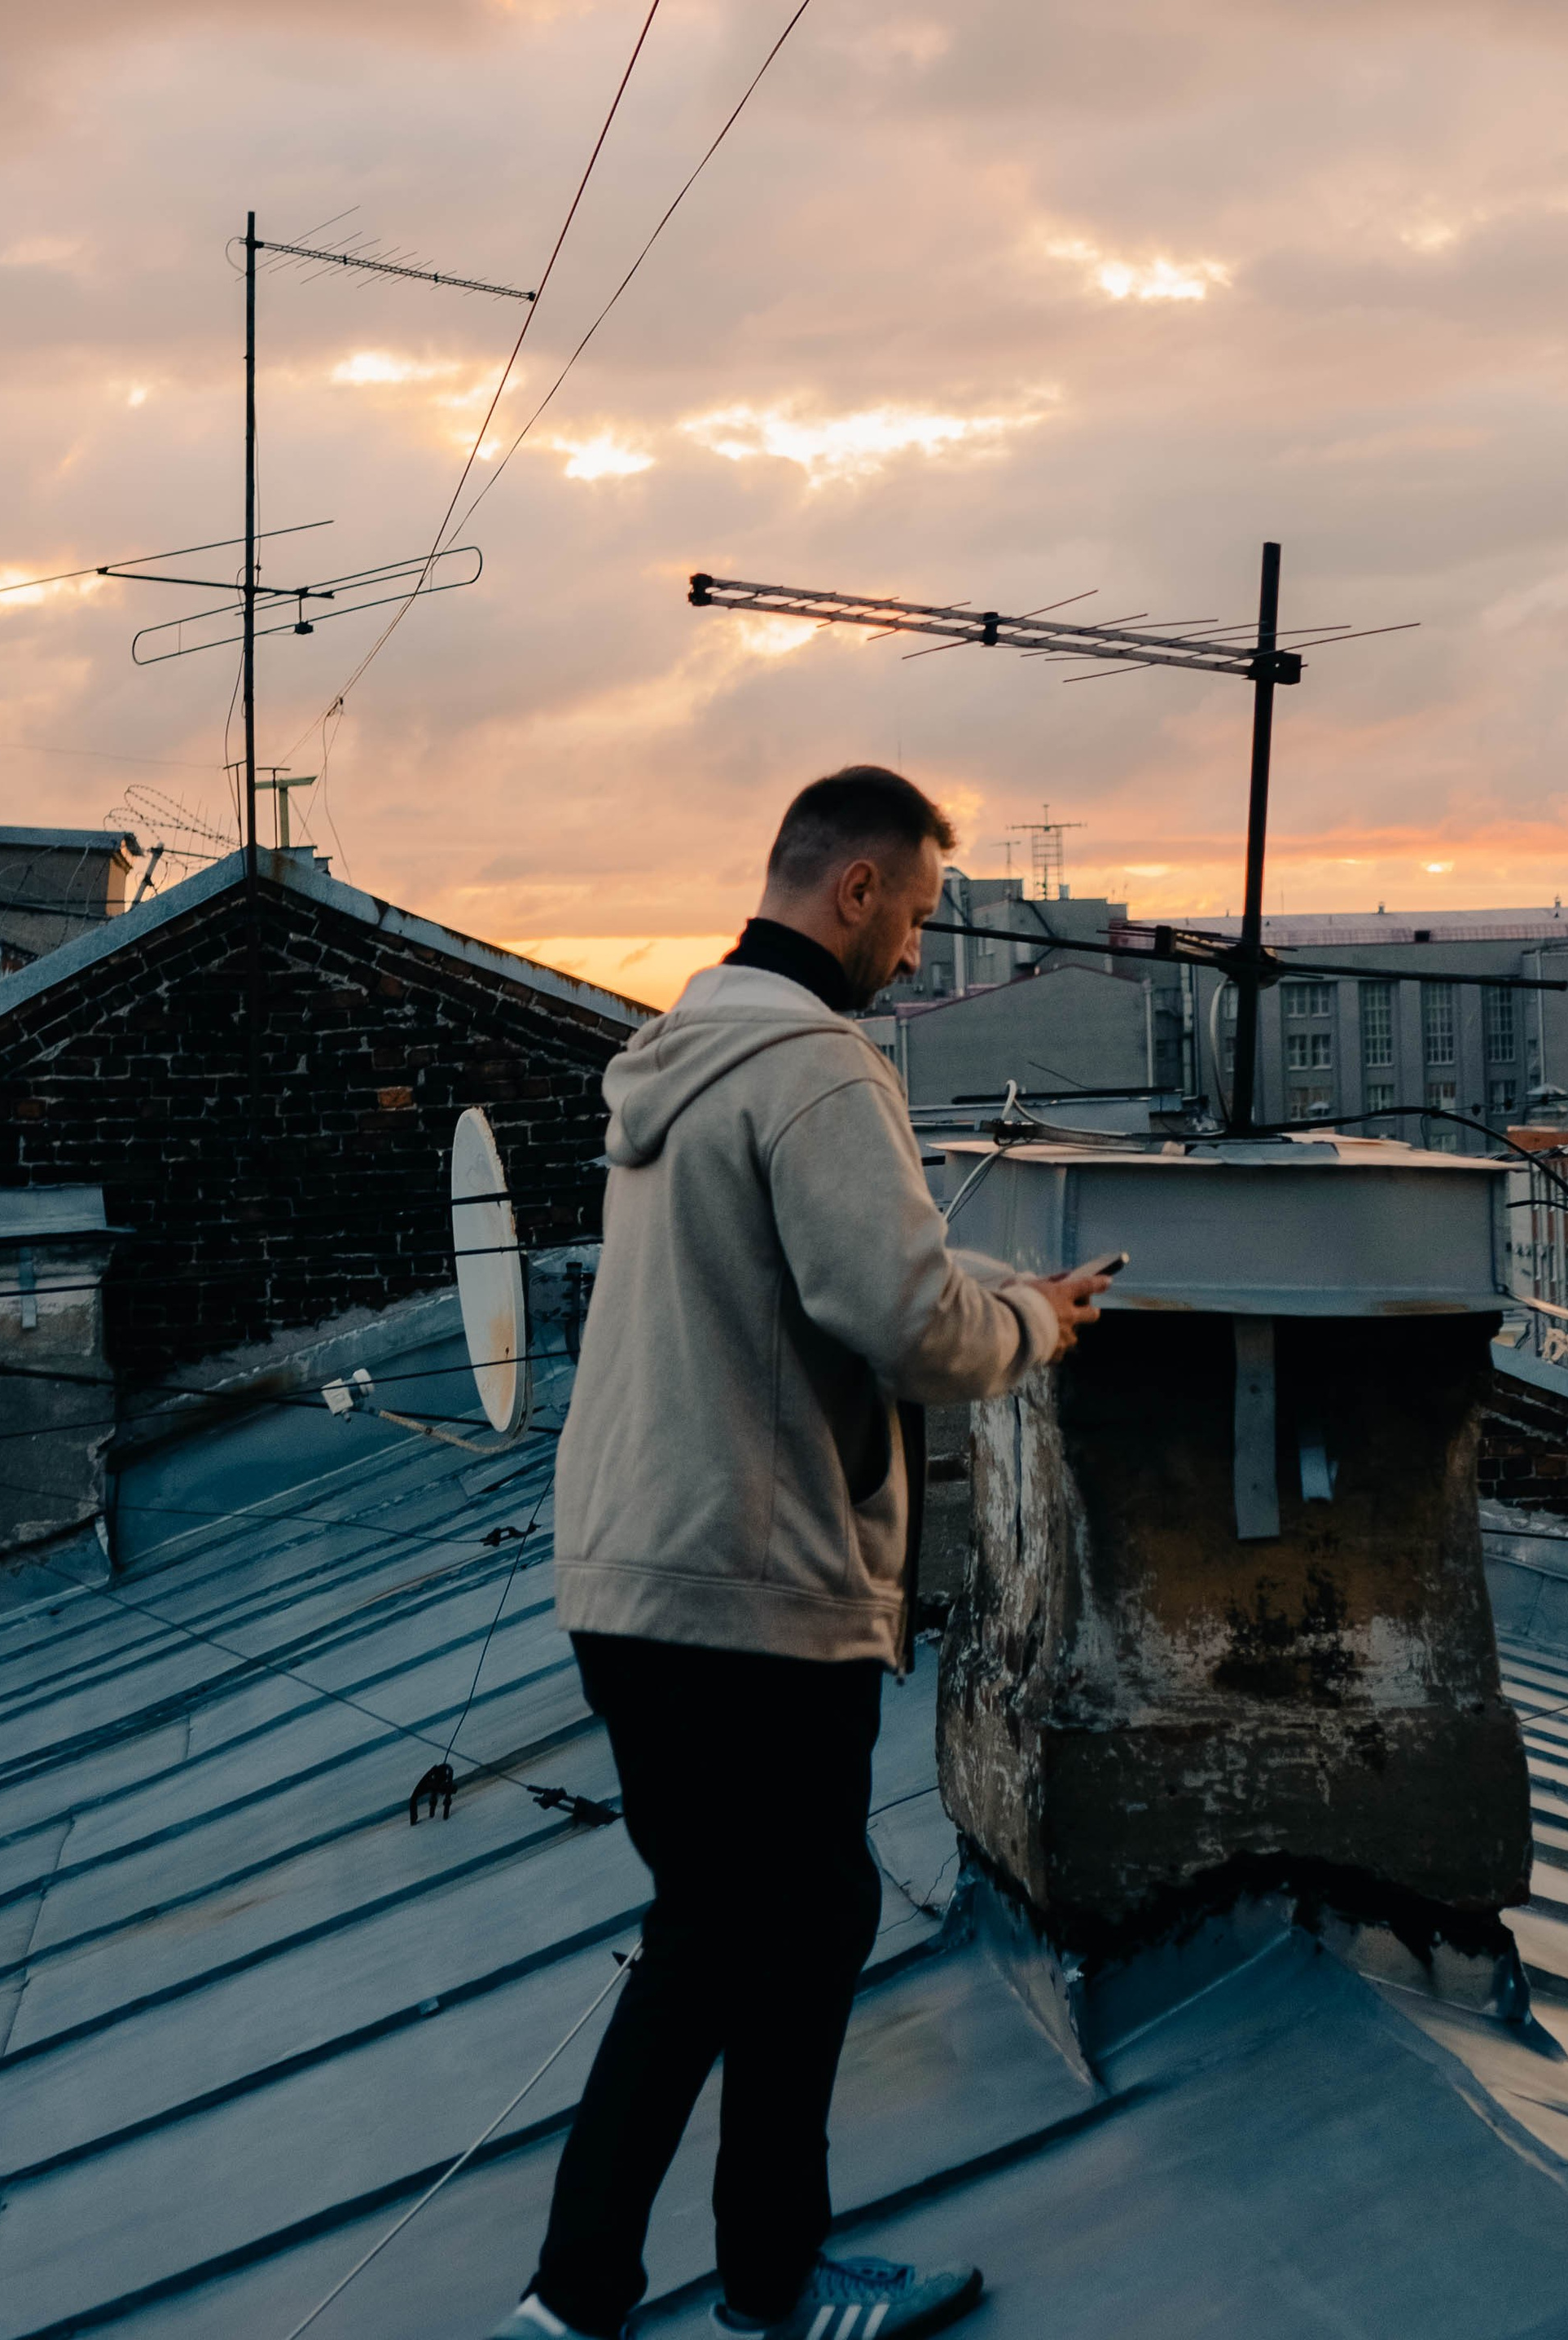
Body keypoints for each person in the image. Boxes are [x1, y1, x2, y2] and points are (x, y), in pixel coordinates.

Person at [491, 766, 1109, 2340]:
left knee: (762, 1922)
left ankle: (695, 2283)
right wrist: (1036, 1324)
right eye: (916, 914)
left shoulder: (693, 1051)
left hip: (639, 1570)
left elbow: (820, 1271)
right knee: (751, 1925)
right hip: (751, 1585)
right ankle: (635, 2298)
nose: (917, 950)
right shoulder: (823, 1068)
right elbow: (904, 1323)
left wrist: (987, 1282)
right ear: (855, 891)